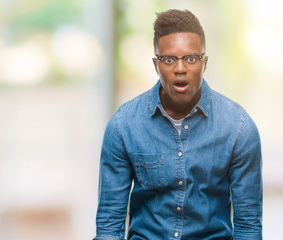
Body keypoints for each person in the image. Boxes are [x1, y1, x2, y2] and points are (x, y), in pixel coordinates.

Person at [94, 9, 262, 240]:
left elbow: (248, 225)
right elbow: (109, 224)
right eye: (169, 59)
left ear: (204, 63)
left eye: (191, 58)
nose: (180, 68)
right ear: (156, 64)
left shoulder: (239, 128)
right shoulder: (123, 126)